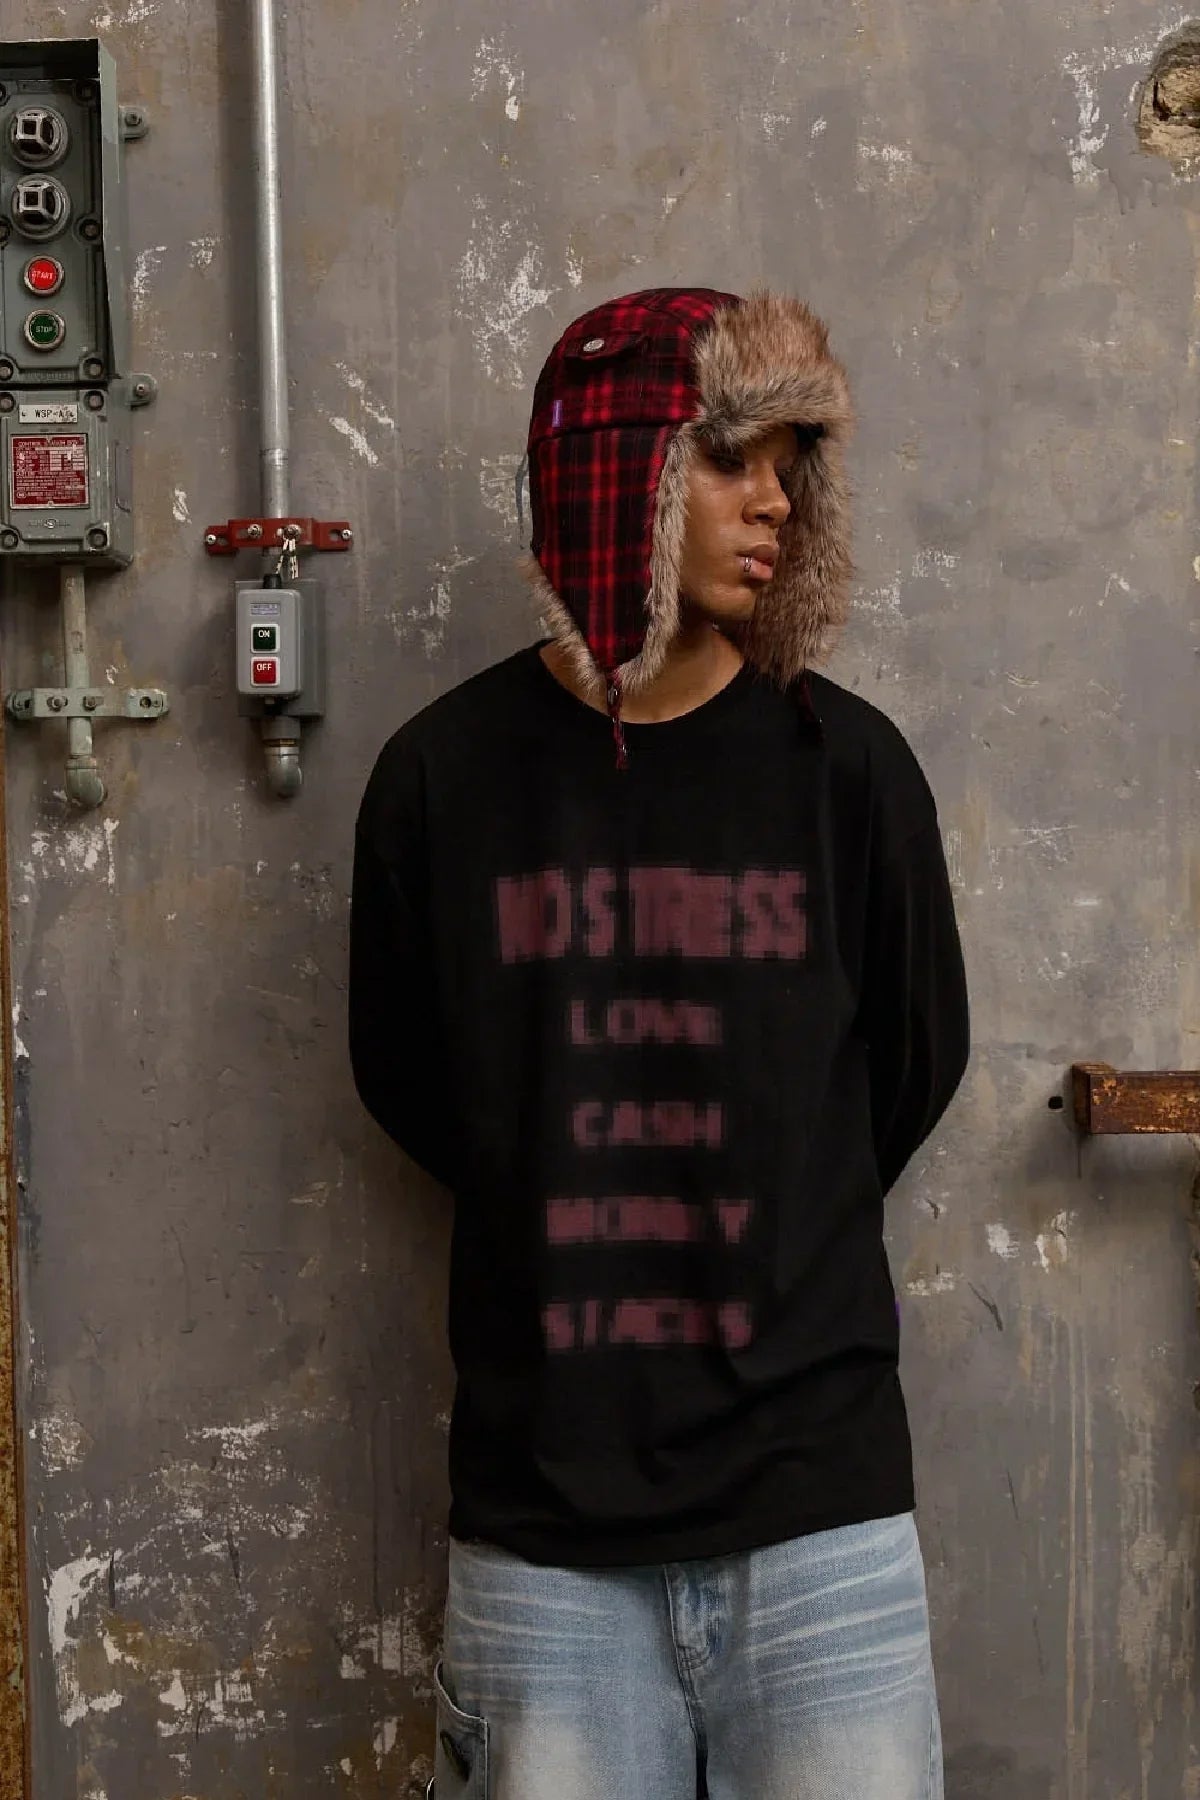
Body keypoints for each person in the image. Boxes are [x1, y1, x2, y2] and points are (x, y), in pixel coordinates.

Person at [349, 286, 969, 1800]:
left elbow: (909, 1063)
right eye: (730, 457)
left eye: (790, 464)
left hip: (818, 1527)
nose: (776, 499)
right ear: (621, 471)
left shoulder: (853, 776)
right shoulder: (439, 782)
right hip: (548, 1539)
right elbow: (419, 1090)